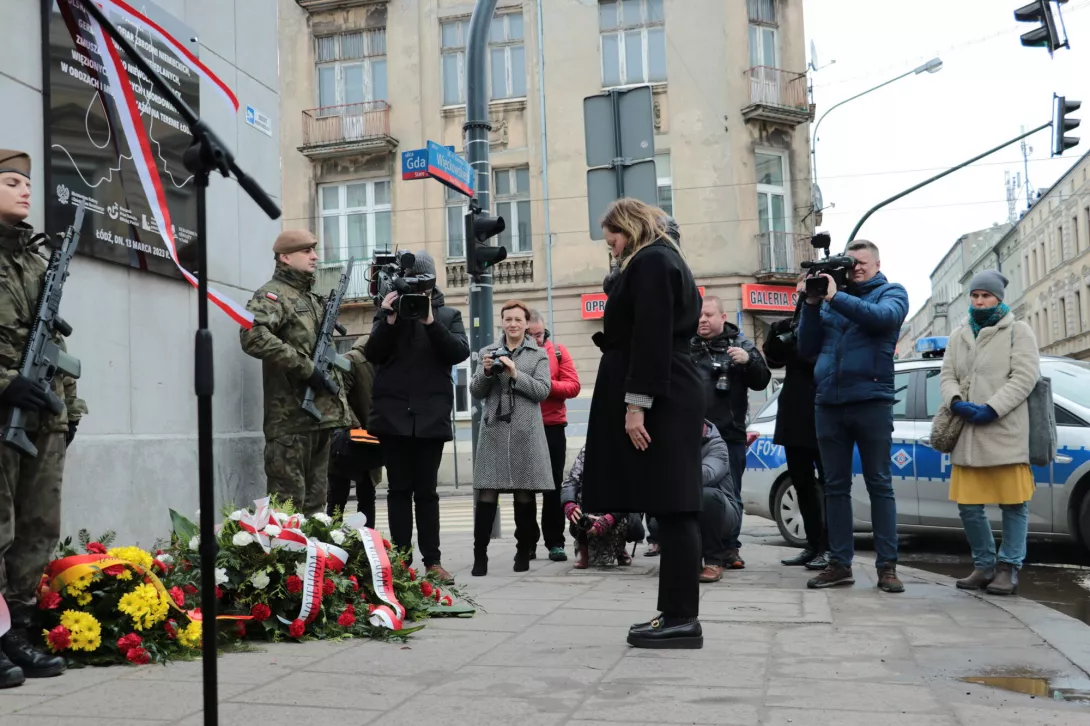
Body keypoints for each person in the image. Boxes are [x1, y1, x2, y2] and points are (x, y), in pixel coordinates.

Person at [582, 198, 705, 649]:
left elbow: (651, 336)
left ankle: (680, 619)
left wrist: (636, 405)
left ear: (629, 227)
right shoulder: (659, 258)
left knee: (675, 506)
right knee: (672, 505)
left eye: (611, 234)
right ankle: (674, 614)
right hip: (670, 390)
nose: (609, 244)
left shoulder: (653, 260)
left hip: (663, 395)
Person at [0, 149, 86, 687]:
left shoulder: (35, 259)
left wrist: (70, 406)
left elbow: (51, 339)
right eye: (11, 182)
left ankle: (19, 634)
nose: (25, 191)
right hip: (4, 409)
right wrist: (6, 382)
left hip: (44, 415)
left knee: (38, 528)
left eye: (26, 183)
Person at [797, 239, 909, 593]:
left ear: (877, 263)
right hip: (829, 401)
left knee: (879, 482)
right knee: (834, 487)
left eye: (862, 262)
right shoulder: (831, 299)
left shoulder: (891, 292)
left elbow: (883, 319)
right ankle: (839, 564)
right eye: (850, 263)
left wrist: (834, 297)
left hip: (871, 400)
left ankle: (887, 567)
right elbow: (806, 347)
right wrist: (811, 304)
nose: (856, 268)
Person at [364, 250, 468, 585]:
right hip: (393, 418)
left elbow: (458, 352)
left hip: (430, 417)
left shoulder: (448, 315)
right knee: (398, 490)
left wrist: (430, 322)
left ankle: (433, 561)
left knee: (427, 492)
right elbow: (372, 353)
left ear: (430, 284)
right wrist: (389, 319)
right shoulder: (387, 315)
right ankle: (400, 559)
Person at [240, 230, 353, 515]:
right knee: (287, 512)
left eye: (314, 250)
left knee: (315, 511)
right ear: (286, 257)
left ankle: (314, 561)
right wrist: (305, 367)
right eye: (307, 251)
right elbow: (252, 335)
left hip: (318, 420)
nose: (315, 256)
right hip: (289, 424)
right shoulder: (274, 295)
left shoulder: (310, 298)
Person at [940, 271, 1039, 596]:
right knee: (969, 506)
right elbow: (947, 374)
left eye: (986, 296)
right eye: (975, 295)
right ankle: (983, 565)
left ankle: (1008, 567)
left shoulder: (1018, 331)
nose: (979, 301)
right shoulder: (958, 334)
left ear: (999, 298)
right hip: (968, 433)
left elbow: (1025, 378)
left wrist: (991, 408)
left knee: (1013, 503)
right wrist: (955, 402)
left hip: (1004, 430)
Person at [469, 300, 553, 575]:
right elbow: (476, 391)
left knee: (524, 493)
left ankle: (522, 552)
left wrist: (515, 373)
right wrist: (486, 371)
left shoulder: (538, 354)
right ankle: (479, 555)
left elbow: (542, 390)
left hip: (524, 432)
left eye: (518, 319)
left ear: (527, 324)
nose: (513, 324)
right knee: (486, 492)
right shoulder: (488, 352)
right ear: (502, 323)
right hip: (494, 429)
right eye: (508, 319)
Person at [690, 296, 770, 569]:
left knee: (730, 493)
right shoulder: (687, 345)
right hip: (690, 435)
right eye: (700, 315)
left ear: (723, 317)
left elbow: (762, 380)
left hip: (729, 433)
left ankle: (730, 548)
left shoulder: (741, 344)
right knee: (688, 490)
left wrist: (748, 361)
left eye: (709, 315)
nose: (702, 319)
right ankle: (694, 544)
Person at [763, 280, 829, 571]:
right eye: (801, 291)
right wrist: (776, 337)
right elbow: (774, 359)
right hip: (794, 412)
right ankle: (812, 545)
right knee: (802, 484)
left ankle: (830, 547)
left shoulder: (830, 323)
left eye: (809, 290)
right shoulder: (787, 326)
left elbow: (813, 355)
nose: (803, 295)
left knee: (829, 484)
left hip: (823, 411)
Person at [526, 309, 581, 562]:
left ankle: (555, 542)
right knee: (524, 488)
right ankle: (526, 542)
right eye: (531, 335)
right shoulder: (514, 355)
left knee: (552, 487)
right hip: (523, 427)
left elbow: (573, 386)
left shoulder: (557, 351)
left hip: (552, 426)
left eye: (539, 334)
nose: (537, 340)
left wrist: (544, 386)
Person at [326, 347, 383, 527]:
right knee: (338, 496)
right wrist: (355, 426)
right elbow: (338, 397)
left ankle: (366, 544)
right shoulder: (353, 360)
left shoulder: (383, 360)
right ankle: (332, 543)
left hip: (369, 441)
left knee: (366, 496)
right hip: (346, 442)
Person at [561, 445, 641, 569]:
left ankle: (619, 548)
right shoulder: (587, 450)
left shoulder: (626, 449)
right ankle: (583, 547)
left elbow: (633, 488)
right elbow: (571, 481)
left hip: (616, 506)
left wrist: (611, 517)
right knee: (579, 497)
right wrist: (568, 503)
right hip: (590, 506)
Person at [696, 421, 741, 583]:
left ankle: (713, 561)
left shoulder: (716, 445)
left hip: (722, 511)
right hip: (686, 506)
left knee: (707, 495)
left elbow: (706, 475)